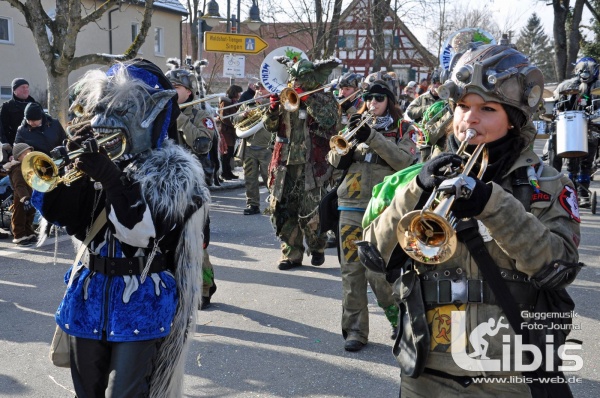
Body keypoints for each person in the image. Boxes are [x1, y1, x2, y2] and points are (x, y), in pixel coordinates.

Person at [362, 43, 580, 397]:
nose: (469, 119)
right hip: (427, 371)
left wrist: (491, 204)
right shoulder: (424, 176)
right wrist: (415, 188)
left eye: (487, 109)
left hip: (510, 373)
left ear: (514, 118)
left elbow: (559, 266)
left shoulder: (548, 183)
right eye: (462, 107)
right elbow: (373, 254)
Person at [31, 59, 209, 397]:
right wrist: (65, 174)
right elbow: (65, 219)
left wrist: (111, 179)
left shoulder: (175, 174)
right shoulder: (99, 157)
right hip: (87, 296)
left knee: (125, 393)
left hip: (141, 300)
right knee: (88, 392)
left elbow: (140, 236)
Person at [326, 79, 417, 352]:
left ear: (389, 100)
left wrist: (373, 137)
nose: (373, 103)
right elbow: (335, 160)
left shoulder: (404, 128)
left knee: (380, 272)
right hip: (350, 205)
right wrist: (344, 147)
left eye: (379, 98)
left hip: (384, 209)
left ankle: (398, 320)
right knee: (351, 271)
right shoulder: (355, 125)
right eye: (369, 98)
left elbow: (404, 161)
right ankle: (355, 330)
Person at [264, 57, 340, 270]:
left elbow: (328, 121)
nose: (296, 81)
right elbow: (269, 127)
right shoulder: (285, 98)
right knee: (283, 209)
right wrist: (272, 109)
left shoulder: (324, 98)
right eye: (294, 77)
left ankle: (317, 247)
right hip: (284, 163)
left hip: (313, 165)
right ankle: (291, 253)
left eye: (301, 78)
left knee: (312, 211)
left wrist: (308, 100)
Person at [165, 59, 218, 311]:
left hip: (193, 187)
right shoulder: (160, 114)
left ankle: (205, 287)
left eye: (176, 86)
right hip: (166, 184)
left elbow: (201, 145)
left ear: (188, 90)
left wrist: (180, 119)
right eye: (169, 85)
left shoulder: (201, 115)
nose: (172, 90)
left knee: (196, 240)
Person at [553, 56, 600, 208]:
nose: (585, 73)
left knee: (586, 161)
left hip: (592, 127)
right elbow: (554, 103)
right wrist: (557, 109)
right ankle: (572, 192)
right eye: (582, 70)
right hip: (571, 127)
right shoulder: (567, 86)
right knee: (572, 160)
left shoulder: (598, 87)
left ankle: (583, 193)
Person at [233, 81, 273, 215]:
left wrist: (263, 104)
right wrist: (243, 114)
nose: (259, 90)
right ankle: (252, 204)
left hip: (267, 148)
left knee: (270, 178)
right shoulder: (247, 104)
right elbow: (234, 120)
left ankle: (275, 204)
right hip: (249, 147)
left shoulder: (273, 103)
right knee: (250, 178)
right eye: (257, 88)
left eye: (262, 88)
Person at [3, 142, 36, 245]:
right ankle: (20, 235)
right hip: (21, 197)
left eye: (29, 153)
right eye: (24, 154)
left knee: (29, 215)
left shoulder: (27, 166)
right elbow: (19, 185)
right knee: (19, 216)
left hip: (29, 194)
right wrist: (25, 198)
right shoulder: (17, 169)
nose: (27, 155)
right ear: (18, 157)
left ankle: (29, 233)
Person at [0, 78, 39, 146]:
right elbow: (2, 129)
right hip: (14, 145)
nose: (26, 89)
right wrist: (6, 144)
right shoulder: (7, 107)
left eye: (27, 87)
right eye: (23, 87)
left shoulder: (35, 106)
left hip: (34, 144)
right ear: (14, 90)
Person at [218, 84, 243, 180]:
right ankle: (225, 173)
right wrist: (234, 124)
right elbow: (223, 117)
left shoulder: (233, 102)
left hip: (230, 132)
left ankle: (228, 172)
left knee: (230, 153)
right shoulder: (226, 102)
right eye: (239, 92)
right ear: (234, 92)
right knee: (227, 153)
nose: (240, 94)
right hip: (226, 132)